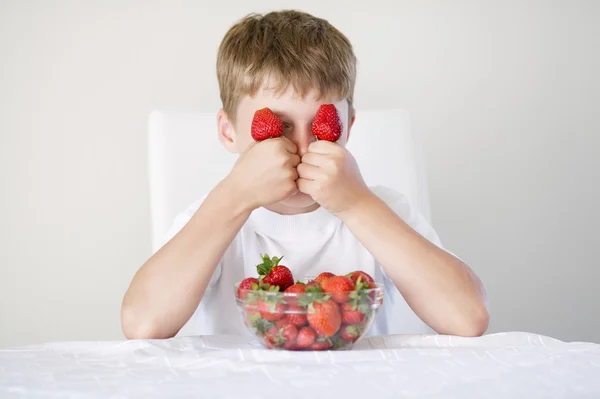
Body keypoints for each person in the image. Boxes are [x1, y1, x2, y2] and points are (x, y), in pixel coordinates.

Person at [121, 10, 489, 340]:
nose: (301, 146)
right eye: (276, 126)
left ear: (348, 128)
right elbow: (142, 324)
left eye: (323, 126)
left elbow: (467, 317)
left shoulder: (383, 208)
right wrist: (232, 197)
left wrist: (357, 205)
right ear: (228, 132)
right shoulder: (213, 217)